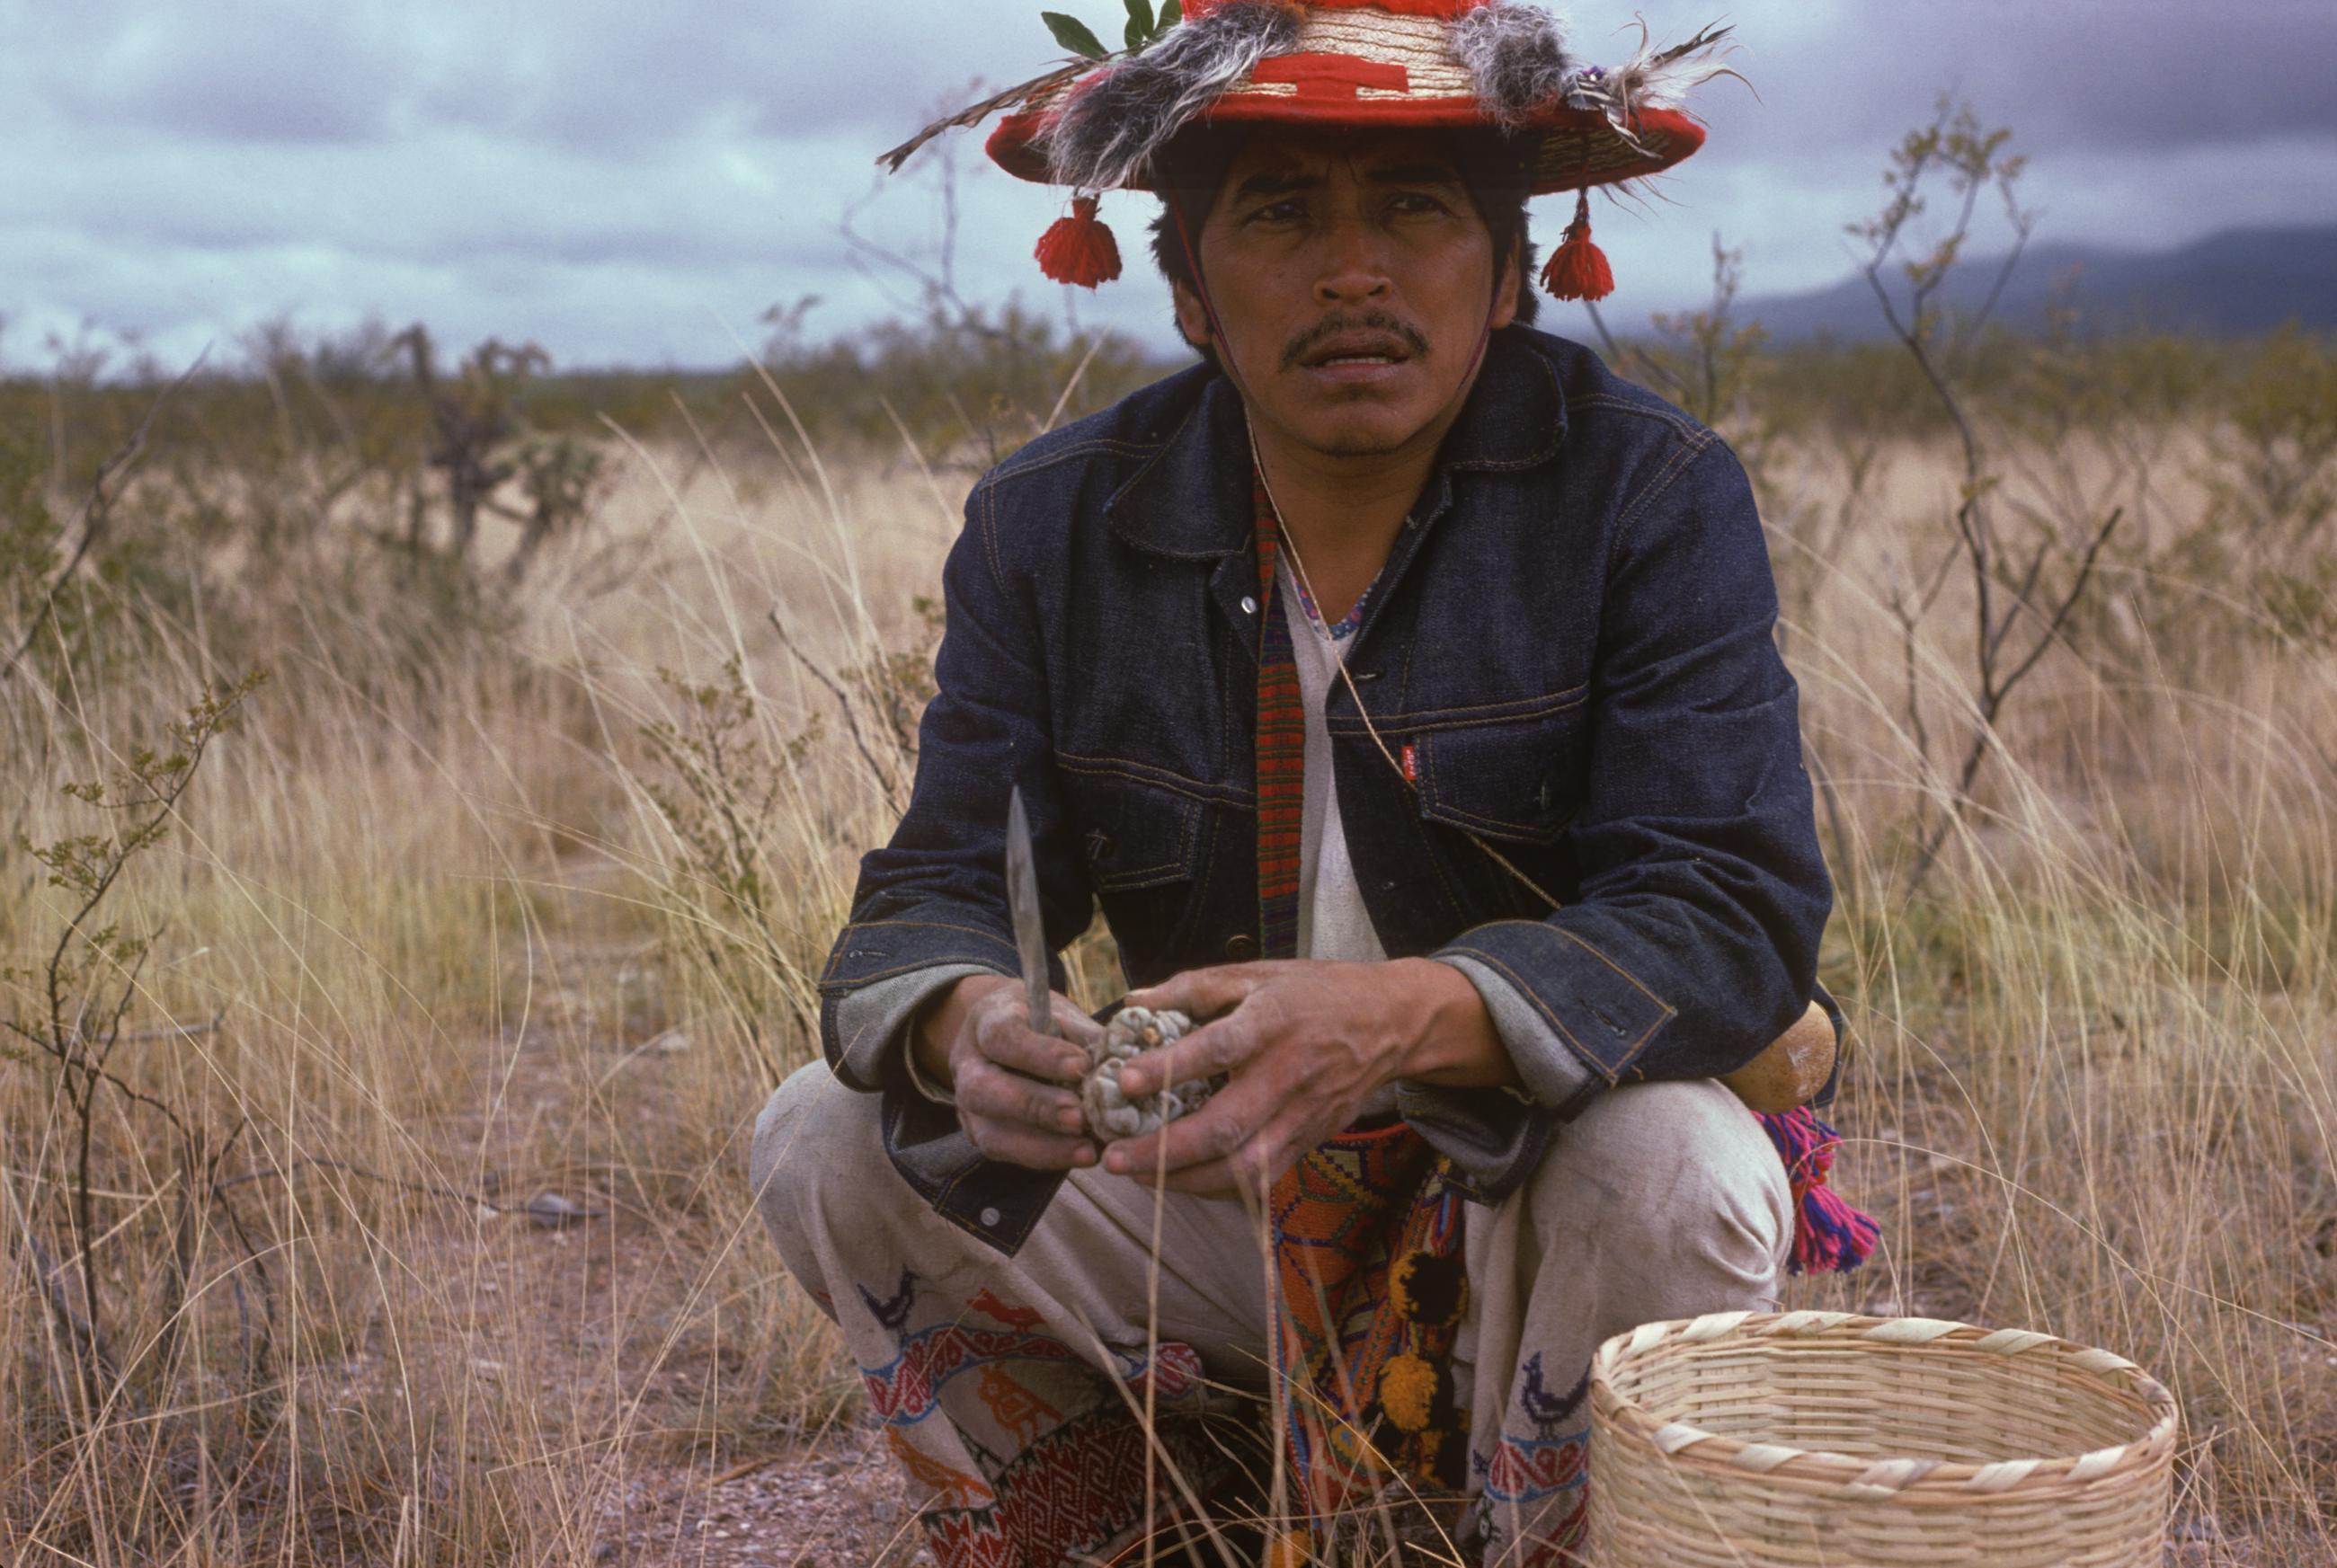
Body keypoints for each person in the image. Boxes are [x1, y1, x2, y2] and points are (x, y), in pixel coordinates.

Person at [751, 4, 1873, 1564]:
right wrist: (966, 1017)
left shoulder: (1649, 493)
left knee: (1680, 1166)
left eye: (1415, 209)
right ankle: (1147, 1521)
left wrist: (1405, 1015)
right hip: (1208, 1180)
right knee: (829, 1132)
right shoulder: (1047, 523)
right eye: (1280, 211)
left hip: (1521, 1202)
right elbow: (942, 877)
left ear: (1506, 269)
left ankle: (1541, 1535)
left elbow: (1734, 914)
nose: (1355, 272)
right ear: (1191, 288)